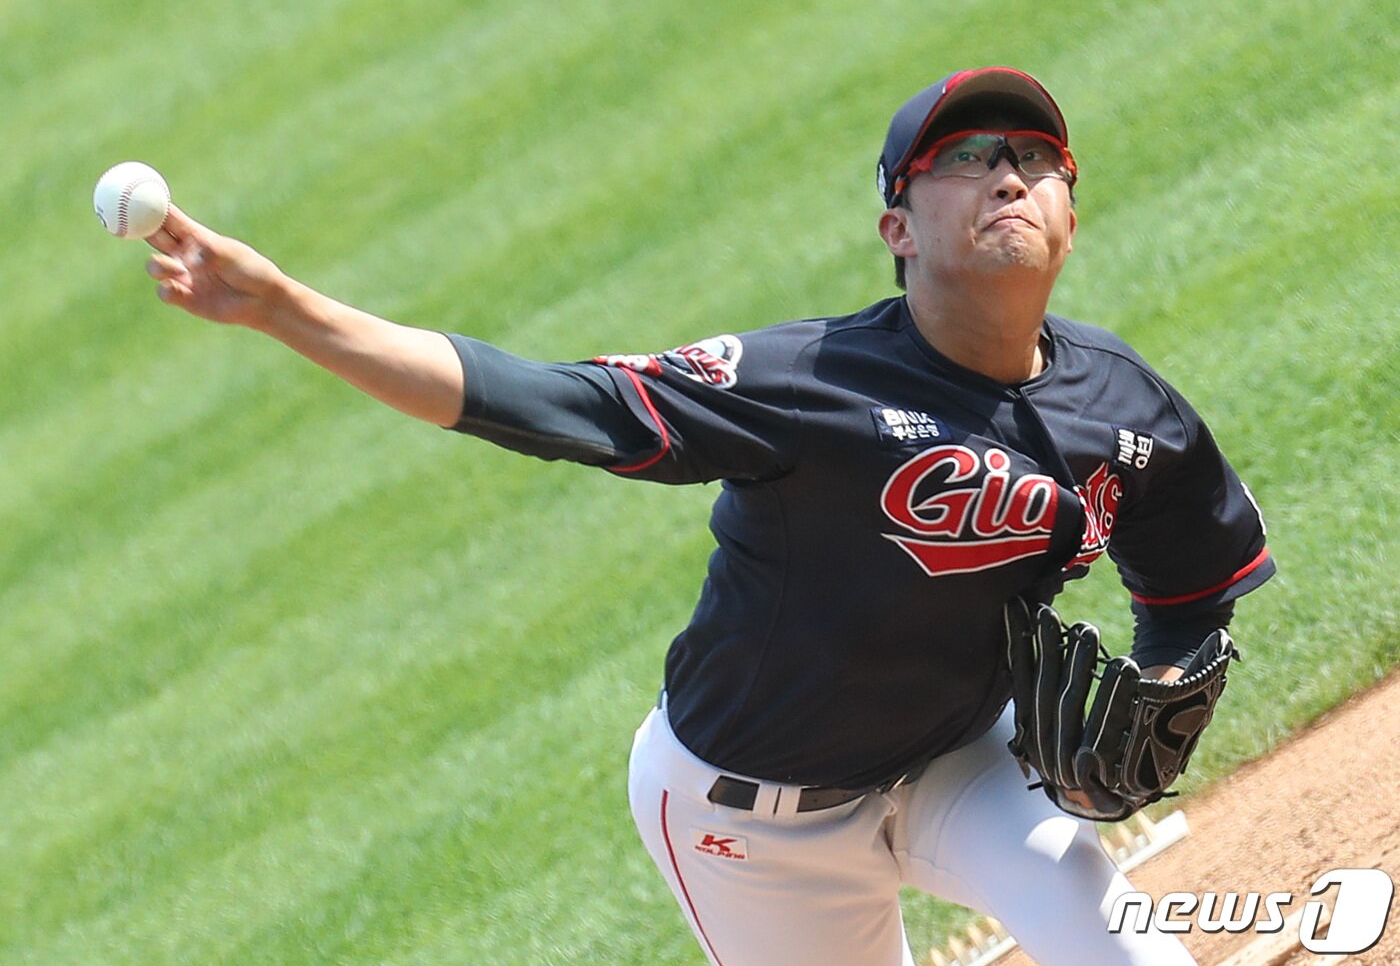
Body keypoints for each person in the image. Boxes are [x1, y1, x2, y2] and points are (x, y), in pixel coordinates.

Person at [142, 66, 1273, 965]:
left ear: (1070, 212)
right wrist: (283, 307)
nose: (1008, 177)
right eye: (964, 158)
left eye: (1035, 159)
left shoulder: (1120, 405)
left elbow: (1187, 581)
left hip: (957, 763)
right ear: (896, 227)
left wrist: (1166, 684)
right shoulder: (804, 381)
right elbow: (550, 403)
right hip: (754, 822)